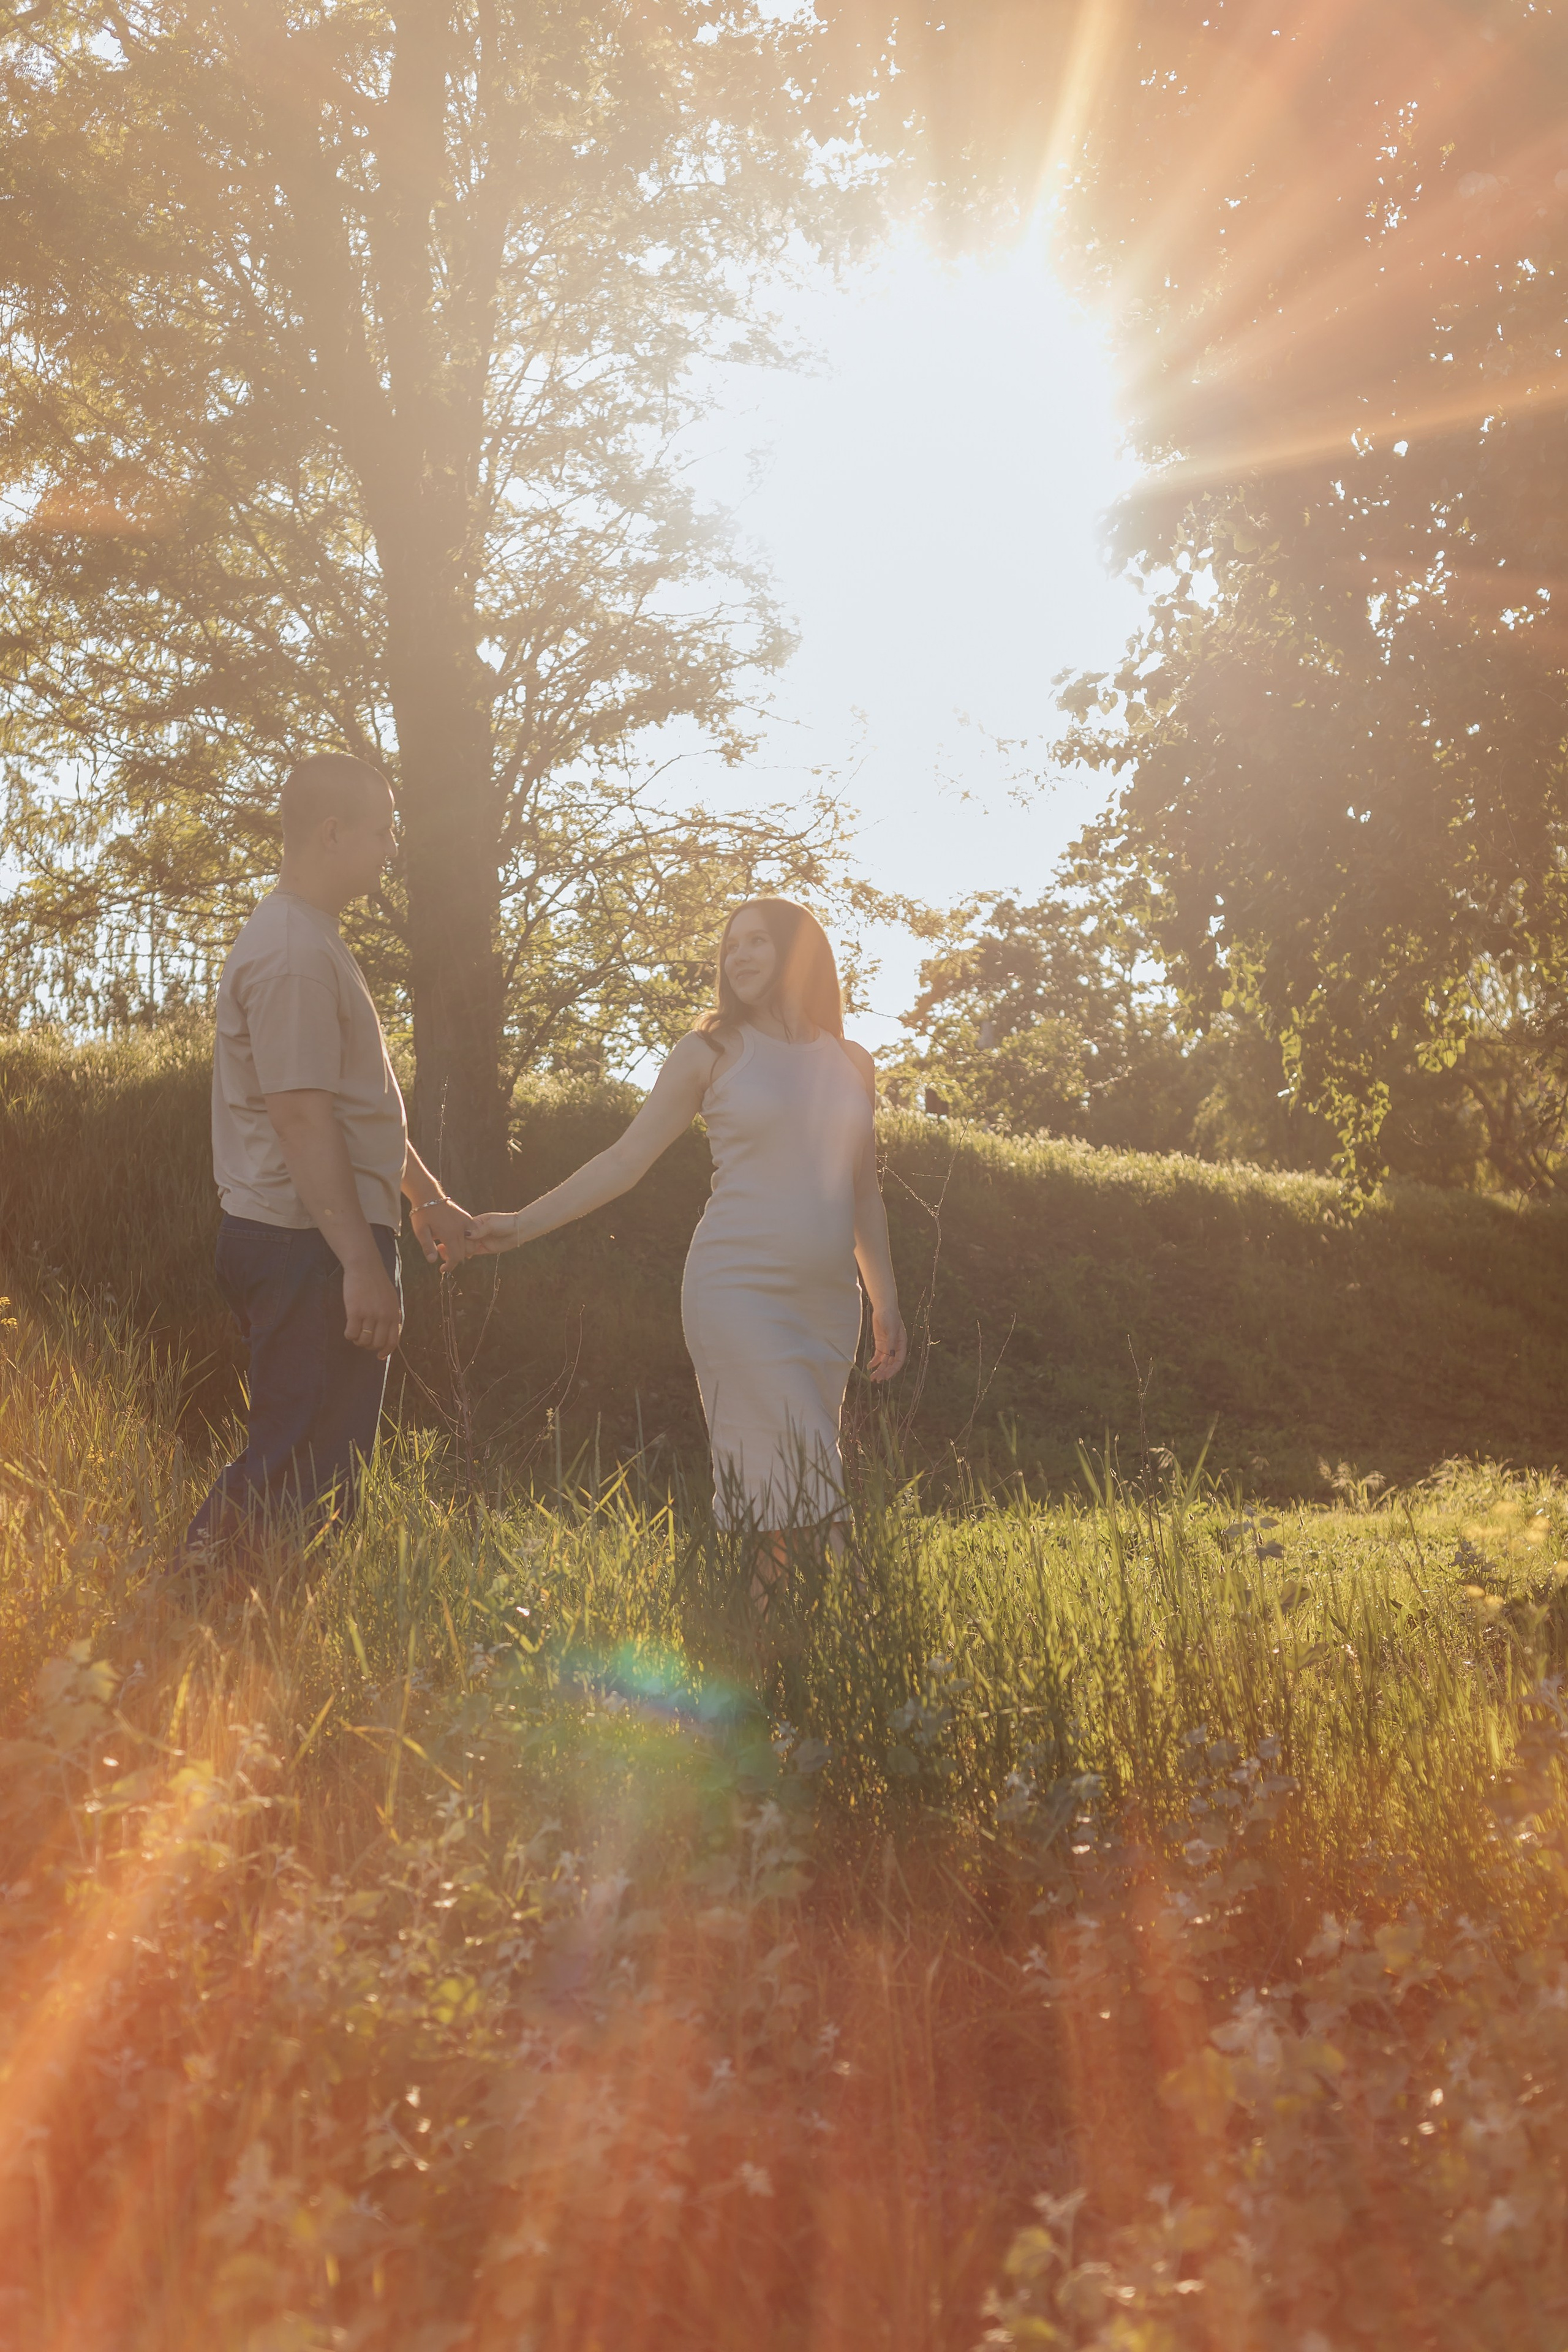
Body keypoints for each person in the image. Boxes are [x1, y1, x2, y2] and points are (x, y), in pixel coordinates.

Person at [464, 897, 908, 1599]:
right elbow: (624, 1160)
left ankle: (770, 1650)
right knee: (803, 1476)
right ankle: (861, 1617)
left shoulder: (852, 1061)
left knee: (783, 1493)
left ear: (800, 952)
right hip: (737, 1293)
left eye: (757, 942)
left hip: (828, 1304)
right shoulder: (711, 1051)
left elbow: (862, 1194)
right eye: (731, 946)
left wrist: (886, 1301)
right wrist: (519, 1225)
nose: (739, 957)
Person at [186, 753, 475, 1557]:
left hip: (318, 1239)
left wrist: (426, 1198)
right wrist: (359, 1263)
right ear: (333, 832)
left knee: (323, 1475)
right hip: (305, 1243)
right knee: (293, 1469)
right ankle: (184, 1618)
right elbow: (302, 1119)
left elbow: (354, 1110)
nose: (389, 849)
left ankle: (263, 1636)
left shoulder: (311, 941)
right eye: (381, 832)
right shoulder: (293, 956)